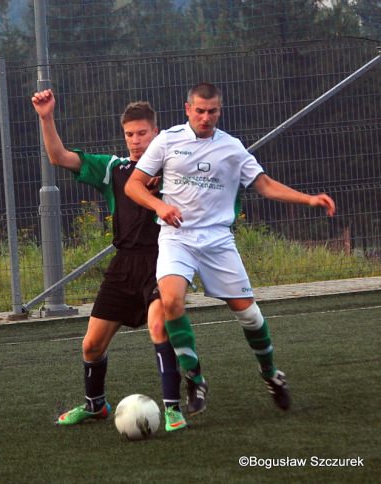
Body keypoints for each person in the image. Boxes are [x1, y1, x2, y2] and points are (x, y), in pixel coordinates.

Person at [125, 82, 336, 414]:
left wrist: (308, 198)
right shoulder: (167, 140)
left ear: (219, 111)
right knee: (170, 300)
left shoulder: (232, 148)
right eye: (199, 111)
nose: (206, 117)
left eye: (212, 111)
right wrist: (159, 206)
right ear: (187, 109)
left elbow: (264, 184)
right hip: (176, 237)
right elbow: (133, 184)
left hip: (217, 241)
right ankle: (194, 377)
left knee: (250, 316)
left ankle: (271, 374)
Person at [31, 88, 187, 432]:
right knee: (91, 344)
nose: (135, 140)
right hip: (123, 265)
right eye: (129, 134)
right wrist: (46, 117)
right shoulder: (114, 169)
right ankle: (95, 406)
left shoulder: (176, 169)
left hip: (162, 261)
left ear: (156, 133)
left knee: (159, 328)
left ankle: (173, 408)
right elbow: (60, 157)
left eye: (142, 133)